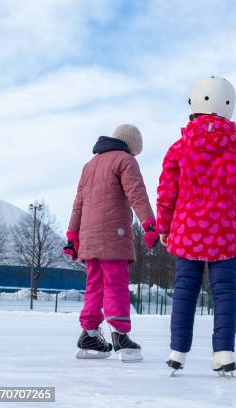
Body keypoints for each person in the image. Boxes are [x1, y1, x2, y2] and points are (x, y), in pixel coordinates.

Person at [156, 76, 236, 376]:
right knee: (225, 292)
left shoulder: (178, 149)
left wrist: (164, 227)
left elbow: (167, 192)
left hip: (187, 230)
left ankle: (177, 351)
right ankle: (224, 353)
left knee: (185, 291)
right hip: (226, 233)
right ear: (229, 106)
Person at [64, 124, 158, 362]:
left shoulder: (89, 165)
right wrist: (149, 223)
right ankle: (120, 335)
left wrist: (72, 236)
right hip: (113, 236)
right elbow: (137, 193)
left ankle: (89, 334)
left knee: (95, 285)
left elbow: (78, 204)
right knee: (115, 283)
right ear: (132, 146)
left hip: (89, 237)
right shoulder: (125, 160)